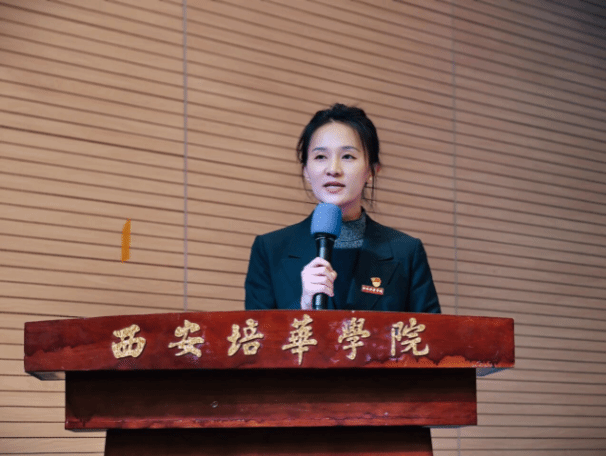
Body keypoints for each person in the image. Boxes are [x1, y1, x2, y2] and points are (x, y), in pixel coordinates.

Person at [244, 103, 440, 313]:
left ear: (371, 171)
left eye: (348, 156)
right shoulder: (270, 250)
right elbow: (256, 332)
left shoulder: (406, 252)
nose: (333, 169)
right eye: (320, 157)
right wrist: (304, 307)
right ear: (306, 171)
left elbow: (430, 332)